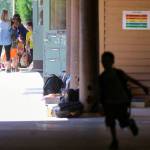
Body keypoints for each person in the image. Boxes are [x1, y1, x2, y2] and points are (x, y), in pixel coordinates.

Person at [99, 51, 149, 150]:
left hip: (121, 101)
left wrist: (142, 86)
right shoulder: (102, 77)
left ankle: (130, 123)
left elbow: (131, 79)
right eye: (103, 61)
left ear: (112, 62)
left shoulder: (118, 73)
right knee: (111, 121)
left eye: (107, 61)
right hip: (109, 102)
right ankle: (114, 140)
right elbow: (99, 90)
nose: (105, 63)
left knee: (122, 122)